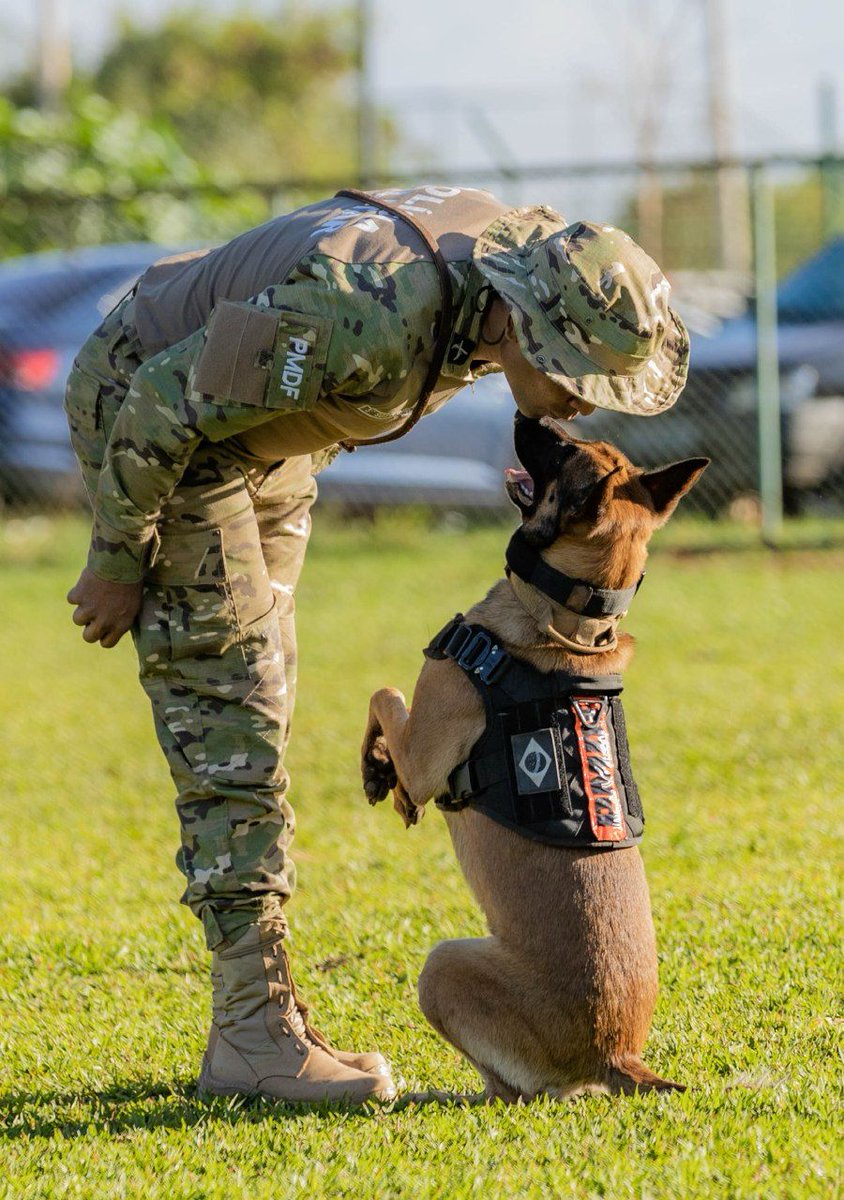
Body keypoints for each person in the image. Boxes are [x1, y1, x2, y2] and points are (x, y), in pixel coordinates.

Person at [64, 184, 689, 1105]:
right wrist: (120, 555)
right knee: (229, 716)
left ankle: (268, 1021)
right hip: (161, 432)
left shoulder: (531, 269)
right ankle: (253, 1037)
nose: (577, 408)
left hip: (261, 447)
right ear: (524, 322)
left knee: (263, 695)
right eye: (573, 378)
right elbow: (160, 399)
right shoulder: (366, 315)